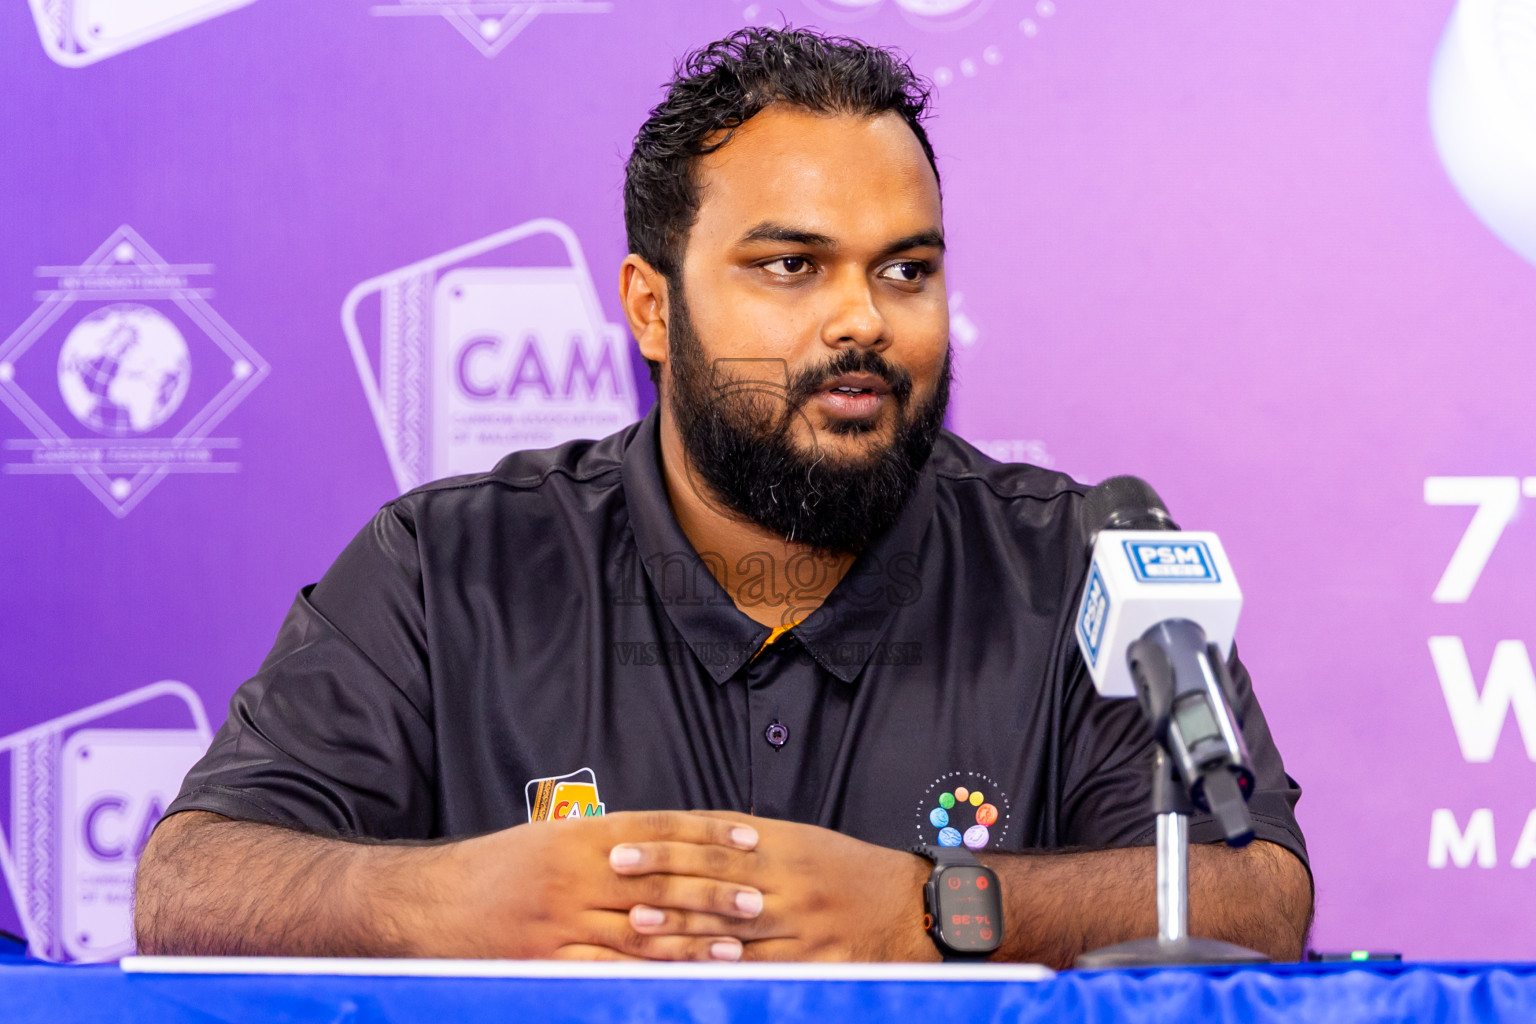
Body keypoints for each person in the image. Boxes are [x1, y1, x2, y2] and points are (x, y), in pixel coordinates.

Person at [134, 27, 1311, 967]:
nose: (863, 319)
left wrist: (929, 907)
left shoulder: (1076, 560)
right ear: (652, 308)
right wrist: (443, 901)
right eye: (791, 266)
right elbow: (186, 884)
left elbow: (1255, 892)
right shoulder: (452, 568)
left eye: (906, 268)